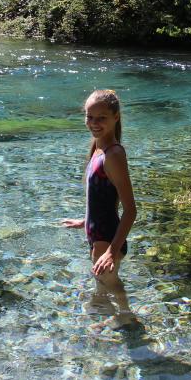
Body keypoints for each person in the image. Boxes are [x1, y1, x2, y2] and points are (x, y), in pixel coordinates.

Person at [61, 89, 137, 328]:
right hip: (98, 234)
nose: (94, 123)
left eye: (101, 118)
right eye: (89, 117)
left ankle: (128, 319)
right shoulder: (98, 147)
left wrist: (111, 252)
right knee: (102, 282)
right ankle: (103, 311)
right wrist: (84, 221)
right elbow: (102, 198)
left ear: (116, 117)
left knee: (111, 283)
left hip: (107, 238)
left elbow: (131, 209)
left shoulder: (114, 154)